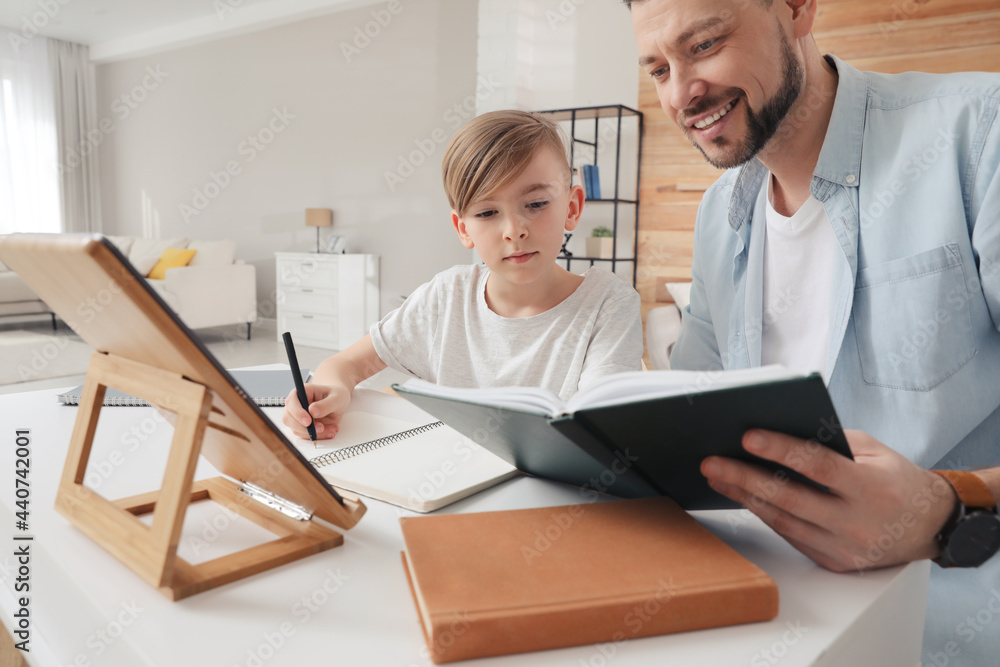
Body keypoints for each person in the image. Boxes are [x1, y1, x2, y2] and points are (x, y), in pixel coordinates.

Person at [627, 0, 1000, 663]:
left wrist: (950, 508)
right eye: (658, 69)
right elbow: (692, 418)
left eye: (705, 44)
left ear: (798, 8)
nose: (682, 94)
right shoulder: (720, 213)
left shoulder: (977, 133)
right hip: (763, 623)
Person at [283, 109, 643, 441]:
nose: (514, 230)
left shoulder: (609, 304)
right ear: (463, 228)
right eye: (487, 213)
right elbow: (344, 364)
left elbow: (604, 431)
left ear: (573, 207)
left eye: (535, 204)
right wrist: (332, 389)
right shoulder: (448, 294)